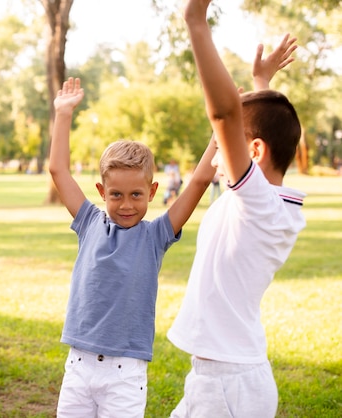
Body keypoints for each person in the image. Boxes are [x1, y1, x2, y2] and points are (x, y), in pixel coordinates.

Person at [167, 2, 305, 417]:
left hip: (229, 385)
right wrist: (262, 81)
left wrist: (195, 20)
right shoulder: (263, 203)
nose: (217, 149)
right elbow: (254, 125)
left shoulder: (260, 205)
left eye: (226, 141)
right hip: (219, 378)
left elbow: (227, 112)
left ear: (255, 152)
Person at [49, 77, 217, 418]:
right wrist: (63, 114)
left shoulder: (156, 235)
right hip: (78, 366)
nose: (126, 204)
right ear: (101, 191)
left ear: (152, 192)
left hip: (125, 373)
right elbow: (58, 169)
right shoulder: (88, 221)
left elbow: (199, 182)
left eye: (136, 195)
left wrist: (219, 133)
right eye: (116, 195)